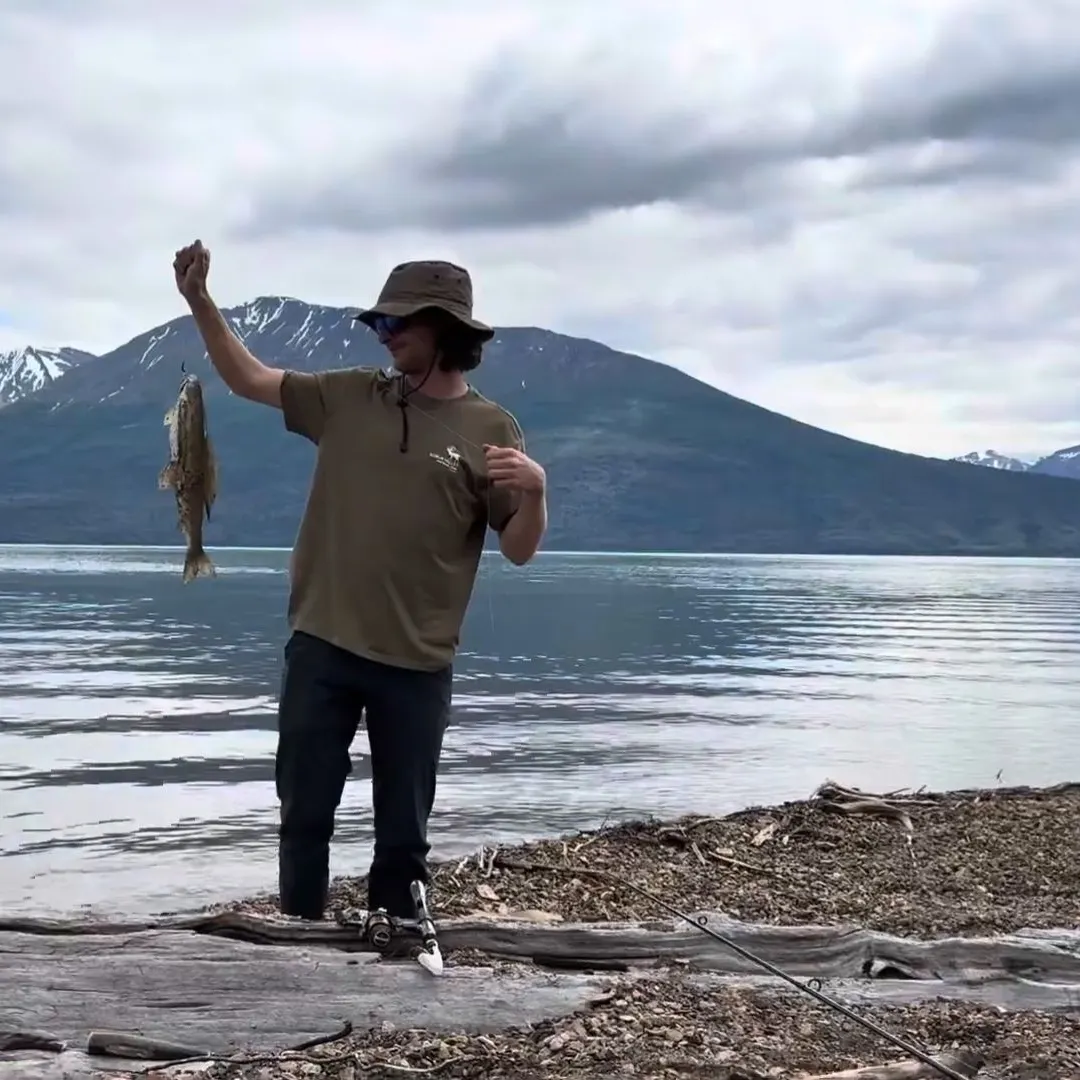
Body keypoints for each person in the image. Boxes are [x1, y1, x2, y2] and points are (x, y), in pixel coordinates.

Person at [172, 240, 547, 923]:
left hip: (417, 663)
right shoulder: (345, 396)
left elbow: (517, 549)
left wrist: (538, 496)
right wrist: (200, 302)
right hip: (321, 644)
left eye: (397, 324)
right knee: (304, 815)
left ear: (446, 332)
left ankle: (400, 941)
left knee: (403, 838)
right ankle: (299, 938)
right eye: (380, 323)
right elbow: (249, 379)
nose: (386, 335)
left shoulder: (492, 429)